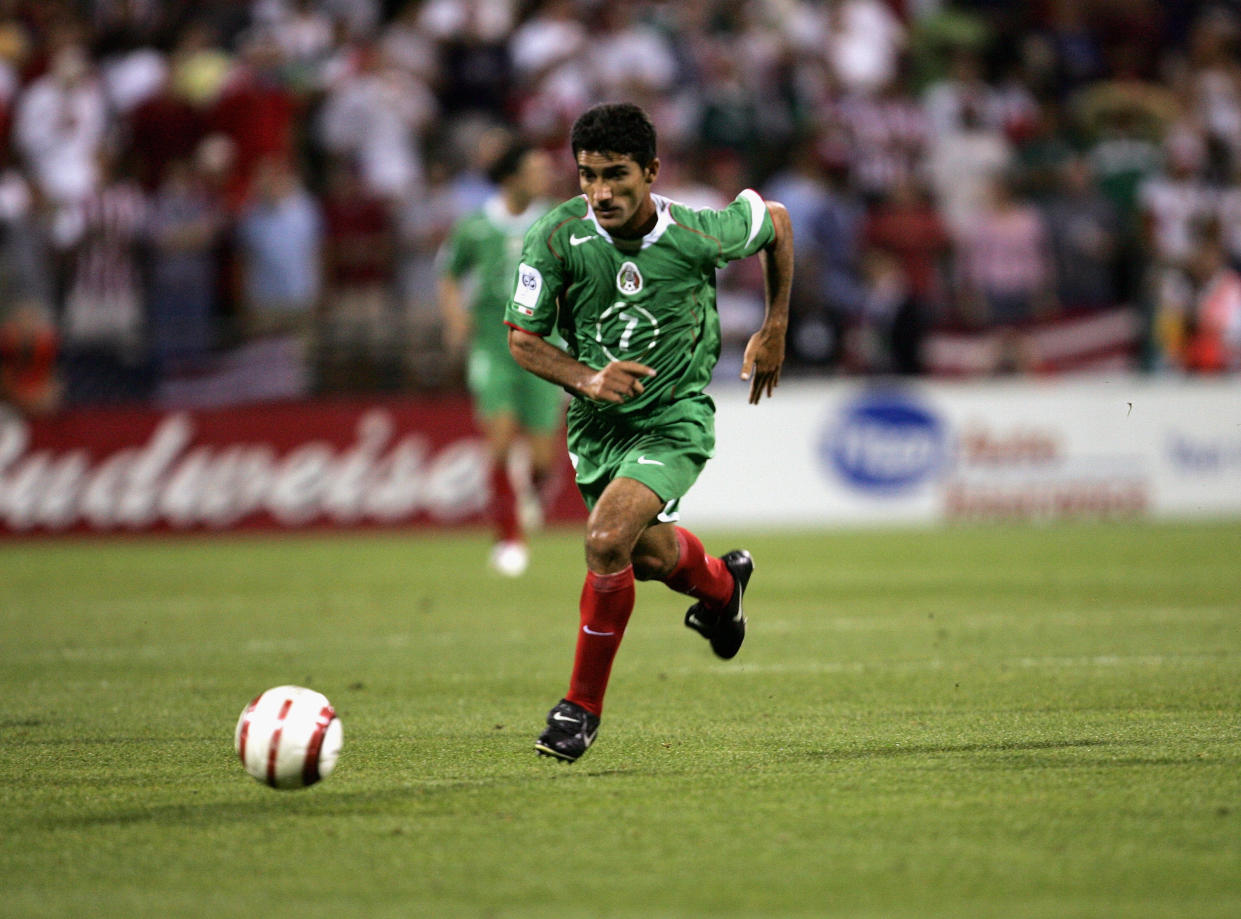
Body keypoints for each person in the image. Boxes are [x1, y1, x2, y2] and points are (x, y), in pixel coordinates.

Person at [503, 102, 792, 762]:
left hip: (673, 421)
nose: (599, 192)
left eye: (616, 175)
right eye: (586, 176)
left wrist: (775, 325)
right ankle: (723, 586)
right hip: (597, 428)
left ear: (651, 171)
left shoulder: (697, 231)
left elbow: (773, 221)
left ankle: (578, 710)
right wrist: (586, 379)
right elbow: (522, 339)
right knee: (648, 558)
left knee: (605, 540)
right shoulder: (555, 238)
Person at [438, 138, 565, 576]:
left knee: (544, 458)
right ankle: (508, 537)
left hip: (545, 349)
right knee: (500, 437)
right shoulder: (475, 226)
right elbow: (449, 274)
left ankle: (529, 497)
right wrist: (455, 317)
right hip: (493, 344)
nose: (545, 177)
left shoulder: (554, 222)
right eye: (536, 169)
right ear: (512, 177)